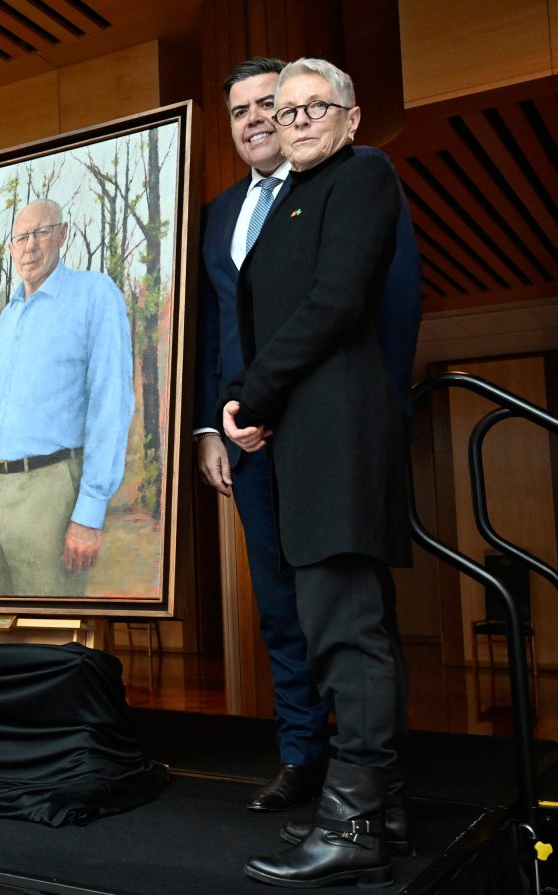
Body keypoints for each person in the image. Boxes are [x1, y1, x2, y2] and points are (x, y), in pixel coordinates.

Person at [194, 57, 422, 815]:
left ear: (350, 117)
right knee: (290, 607)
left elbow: (364, 303)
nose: (273, 120)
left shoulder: (357, 178)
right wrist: (222, 420)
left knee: (349, 614)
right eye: (255, 110)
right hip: (259, 435)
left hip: (332, 429)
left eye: (293, 107)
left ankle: (364, 800)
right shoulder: (232, 212)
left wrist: (369, 419)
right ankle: (310, 762)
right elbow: (223, 330)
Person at [0, 198, 133, 595]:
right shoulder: (10, 312)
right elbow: (2, 401)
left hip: (50, 491)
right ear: (11, 248)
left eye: (41, 232)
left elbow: (111, 405)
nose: (30, 245)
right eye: (21, 237)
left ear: (63, 235)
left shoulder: (95, 294)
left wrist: (89, 512)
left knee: (50, 637)